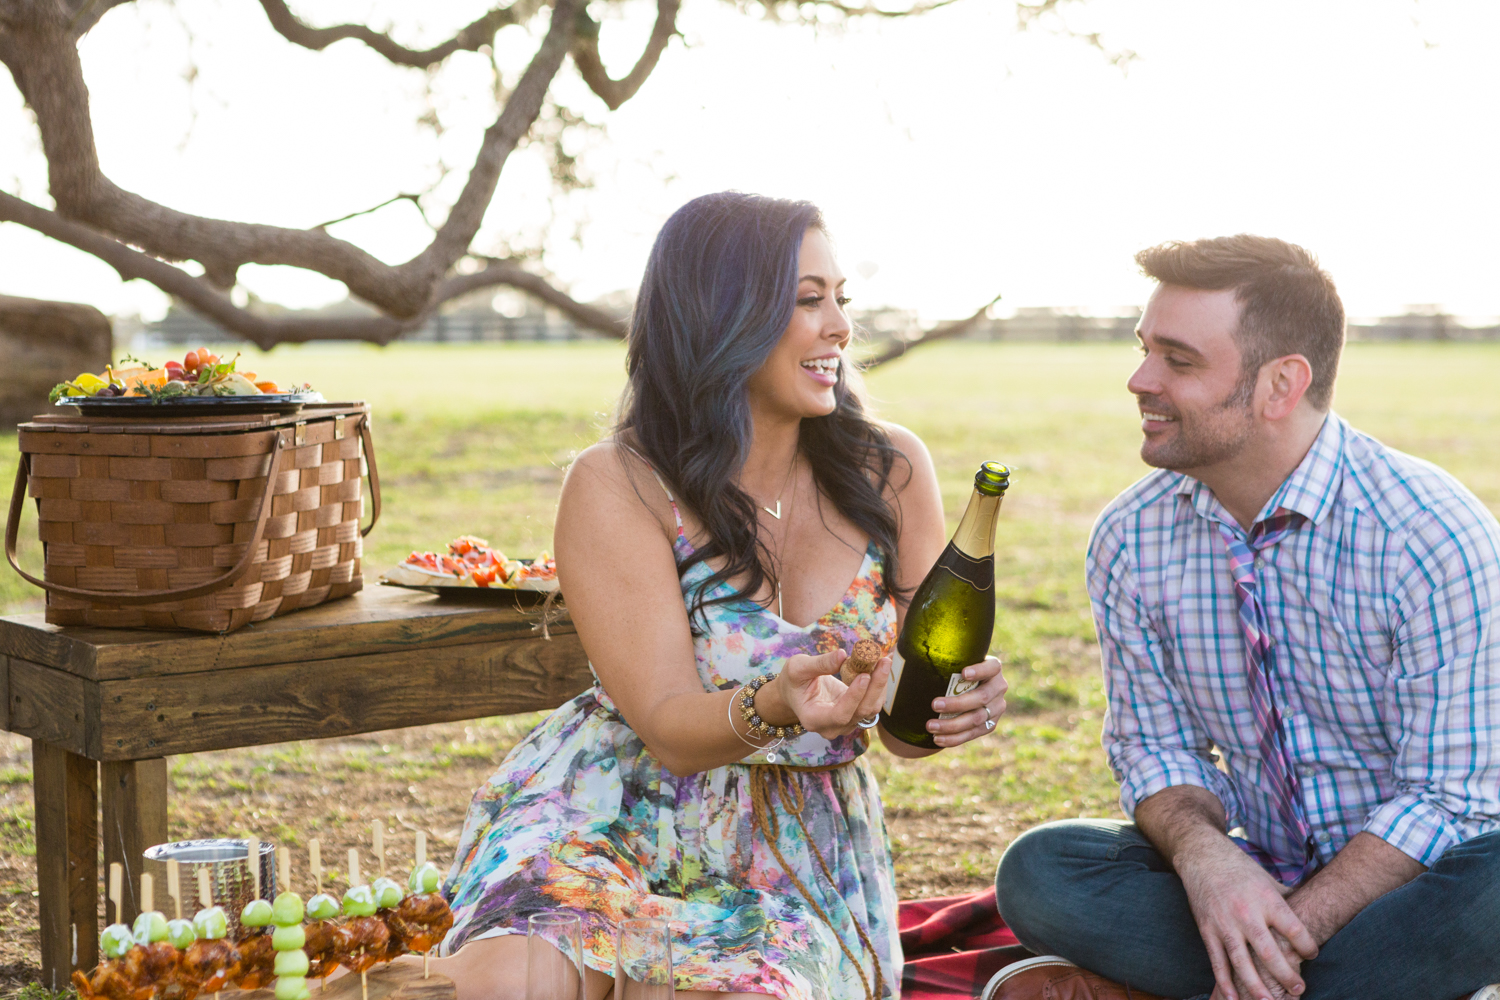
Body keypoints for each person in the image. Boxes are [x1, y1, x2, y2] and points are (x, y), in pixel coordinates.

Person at [427, 192, 1009, 1000]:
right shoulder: (620, 482)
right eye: (809, 300)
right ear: (720, 316)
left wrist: (951, 713)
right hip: (606, 808)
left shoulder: (893, 472)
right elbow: (666, 724)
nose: (841, 326)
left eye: (843, 299)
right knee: (511, 984)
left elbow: (905, 733)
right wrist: (776, 701)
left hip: (794, 850)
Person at [989, 236, 1500, 1000]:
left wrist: (1297, 924)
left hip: (1419, 882)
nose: (1140, 380)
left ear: (1280, 385)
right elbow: (1154, 749)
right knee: (1040, 873)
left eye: (1178, 360)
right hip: (1255, 868)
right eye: (1144, 350)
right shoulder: (1130, 537)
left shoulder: (1428, 534)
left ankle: (1218, 983)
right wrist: (1210, 863)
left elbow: (1451, 797)